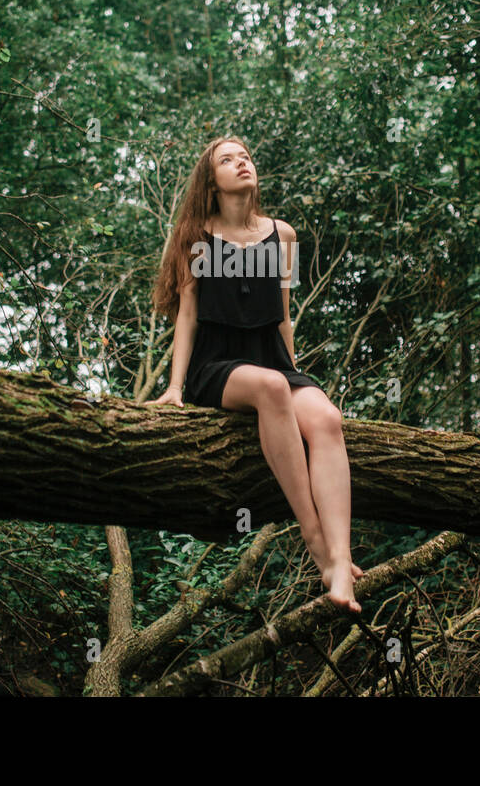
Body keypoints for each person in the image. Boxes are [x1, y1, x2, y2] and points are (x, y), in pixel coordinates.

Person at [148, 135, 365, 612]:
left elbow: (283, 317)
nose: (241, 162)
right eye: (228, 159)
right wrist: (175, 388)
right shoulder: (195, 238)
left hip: (272, 363)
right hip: (217, 366)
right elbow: (187, 316)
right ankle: (316, 544)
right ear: (211, 180)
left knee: (326, 418)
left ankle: (341, 557)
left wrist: (297, 376)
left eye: (244, 156)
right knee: (270, 389)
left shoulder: (282, 235)